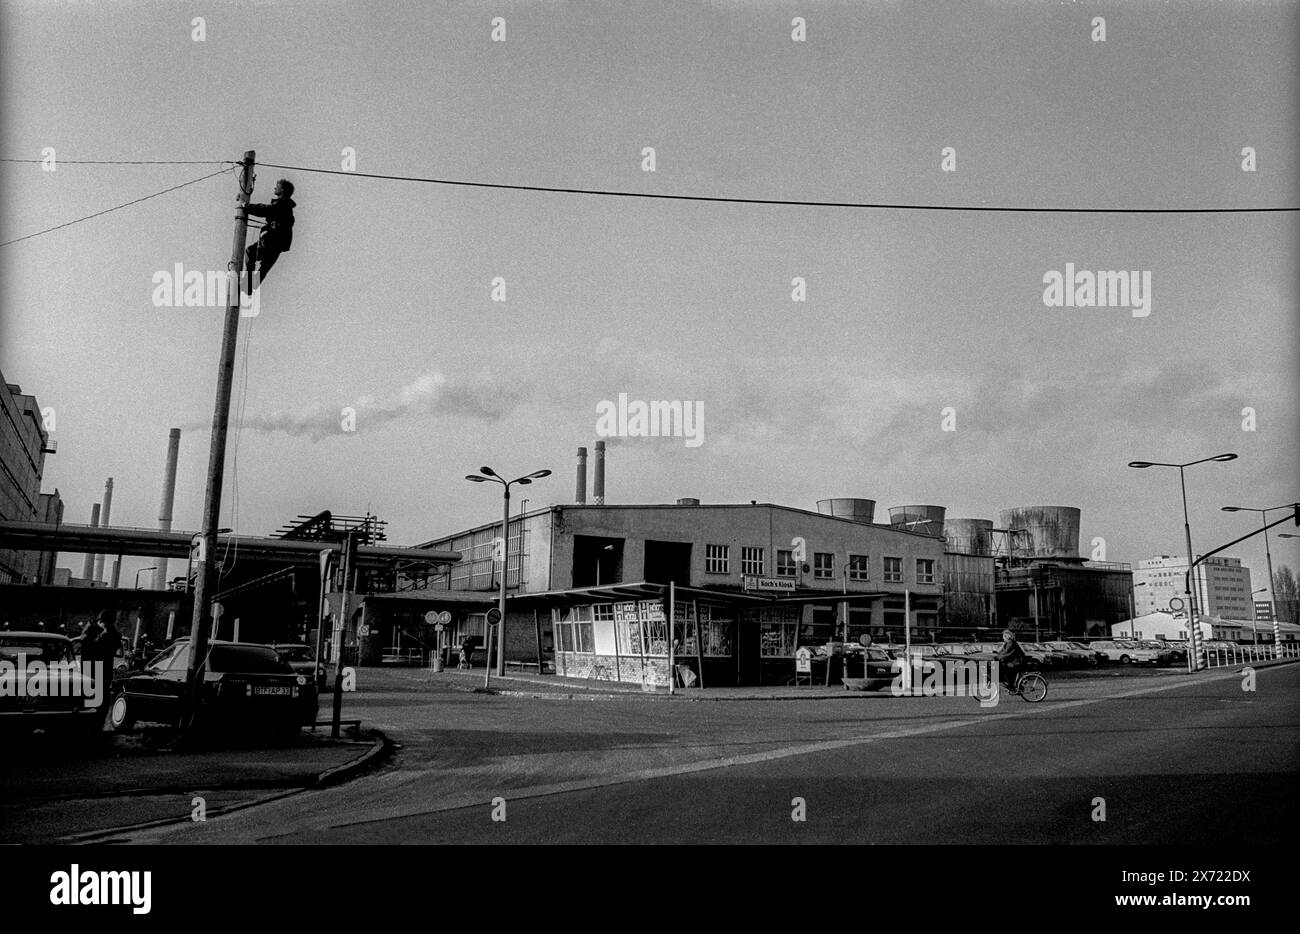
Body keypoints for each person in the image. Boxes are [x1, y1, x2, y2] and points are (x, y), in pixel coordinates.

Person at [244, 179, 296, 292]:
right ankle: (249, 287)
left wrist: (247, 207)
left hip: (273, 239)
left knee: (251, 252)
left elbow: (266, 210)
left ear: (282, 189)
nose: (274, 188)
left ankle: (247, 285)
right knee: (264, 266)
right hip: (281, 242)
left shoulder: (282, 203)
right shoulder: (286, 205)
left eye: (277, 186)